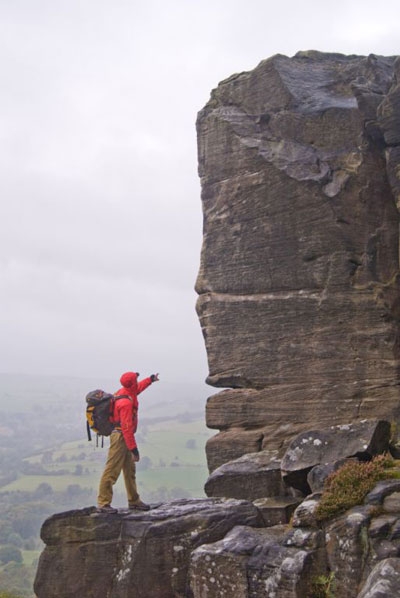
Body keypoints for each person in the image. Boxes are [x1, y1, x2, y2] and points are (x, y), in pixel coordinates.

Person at [96, 370, 159, 513]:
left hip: (122, 436)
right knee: (111, 470)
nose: (138, 381)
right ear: (132, 384)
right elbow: (126, 429)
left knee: (130, 471)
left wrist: (150, 379)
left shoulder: (124, 391)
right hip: (120, 438)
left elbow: (138, 388)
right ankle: (103, 503)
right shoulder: (125, 403)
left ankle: (134, 501)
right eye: (136, 379)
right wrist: (134, 450)